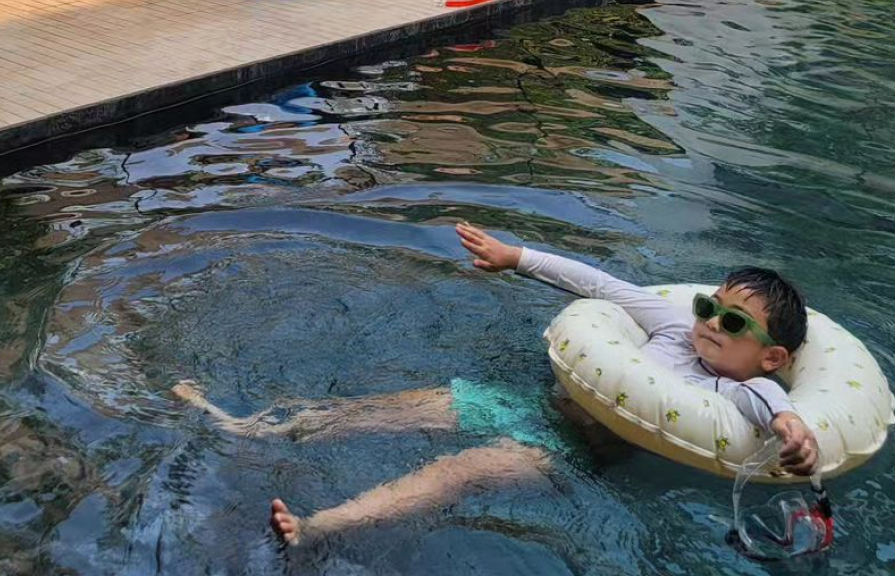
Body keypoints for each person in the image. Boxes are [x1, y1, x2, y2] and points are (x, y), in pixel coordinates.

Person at [172, 221, 821, 547]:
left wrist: (792, 428)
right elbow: (598, 283)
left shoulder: (731, 392)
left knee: (453, 474)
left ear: (770, 356)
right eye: (710, 306)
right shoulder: (675, 326)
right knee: (386, 409)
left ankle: (320, 525)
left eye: (732, 322)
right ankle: (253, 429)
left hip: (566, 452)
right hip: (530, 404)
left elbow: (767, 403)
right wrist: (516, 258)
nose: (710, 323)